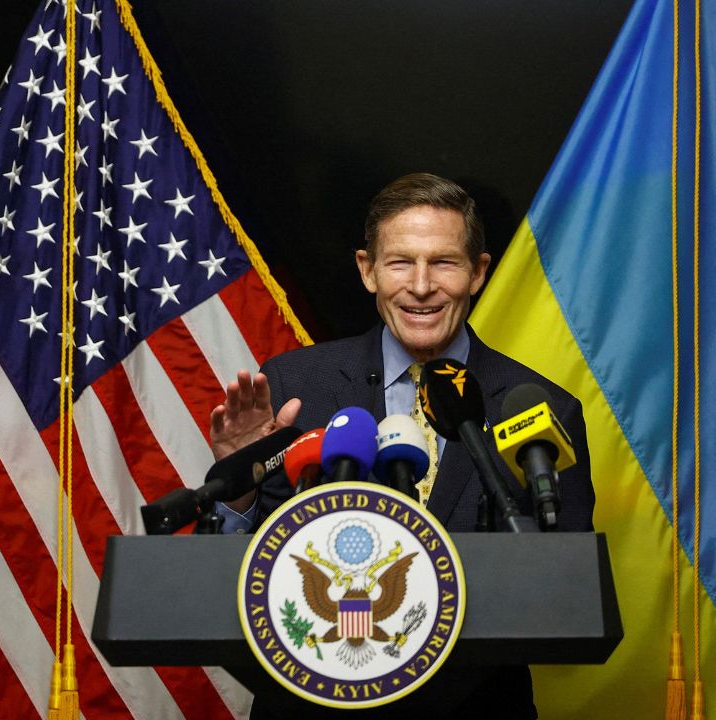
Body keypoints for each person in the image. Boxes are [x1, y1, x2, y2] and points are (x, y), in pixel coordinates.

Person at [209, 173, 594, 719]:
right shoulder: (296, 386)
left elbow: (563, 584)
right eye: (399, 262)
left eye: (443, 262)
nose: (420, 286)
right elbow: (243, 574)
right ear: (368, 270)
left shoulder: (538, 409)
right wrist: (238, 483)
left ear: (478, 272)